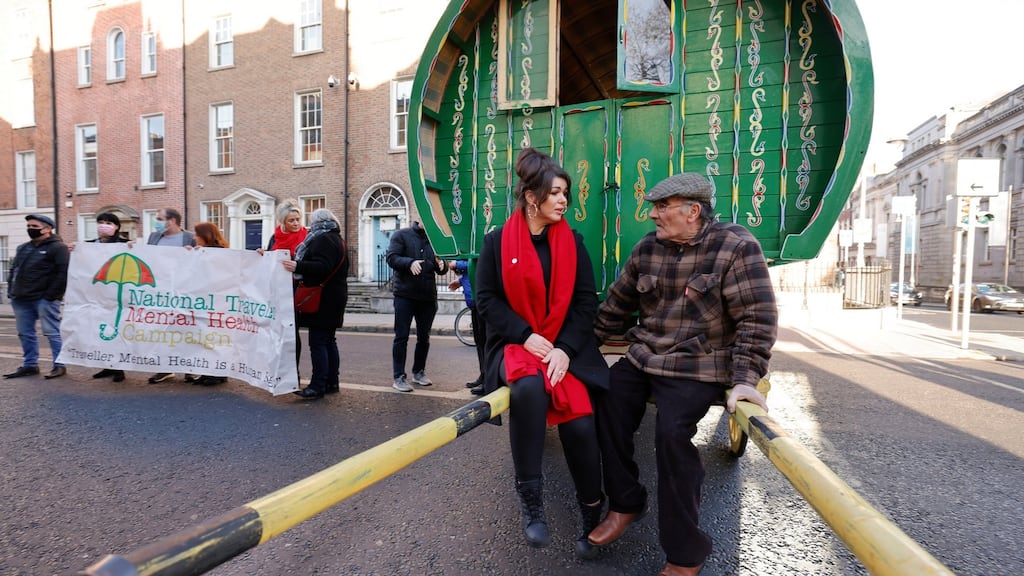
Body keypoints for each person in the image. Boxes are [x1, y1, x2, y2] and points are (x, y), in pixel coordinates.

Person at [589, 173, 778, 576]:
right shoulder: (647, 249)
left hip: (698, 362)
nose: (653, 214)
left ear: (693, 211)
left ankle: (685, 551)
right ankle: (626, 502)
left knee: (671, 435)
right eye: (655, 207)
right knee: (606, 402)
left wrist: (745, 378)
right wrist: (569, 351)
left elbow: (756, 319)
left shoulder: (736, 246)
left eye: (662, 207)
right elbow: (614, 309)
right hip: (645, 356)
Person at [475, 147, 608, 558]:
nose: (564, 200)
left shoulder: (575, 242)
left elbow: (586, 303)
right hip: (517, 344)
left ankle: (592, 512)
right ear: (532, 197)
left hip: (566, 348)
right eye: (555, 193)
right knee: (528, 390)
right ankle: (531, 503)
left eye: (565, 192)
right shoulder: (497, 242)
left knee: (581, 426)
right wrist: (525, 334)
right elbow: (487, 299)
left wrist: (565, 349)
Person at [282, 208, 348, 400]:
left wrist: (298, 266)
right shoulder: (337, 239)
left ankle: (318, 385)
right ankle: (332, 382)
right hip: (334, 296)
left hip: (323, 299)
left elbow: (322, 267)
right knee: (328, 341)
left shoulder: (323, 239)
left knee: (318, 342)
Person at [5, 215, 70, 380]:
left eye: (34, 226)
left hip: (43, 298)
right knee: (25, 333)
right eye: (28, 226)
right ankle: (30, 364)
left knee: (51, 332)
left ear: (48, 228)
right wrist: (11, 290)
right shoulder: (23, 248)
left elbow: (63, 273)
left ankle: (59, 364)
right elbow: (14, 269)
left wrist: (51, 296)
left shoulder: (58, 248)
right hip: (20, 298)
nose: (30, 229)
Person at [386, 221, 448, 393]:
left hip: (427, 296)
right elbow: (391, 257)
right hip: (405, 295)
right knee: (402, 336)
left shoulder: (435, 239)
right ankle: (399, 377)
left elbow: (440, 266)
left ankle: (418, 372)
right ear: (419, 218)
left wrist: (442, 266)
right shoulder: (401, 235)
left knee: (424, 337)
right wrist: (409, 262)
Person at [258, 199, 308, 379]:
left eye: (297, 219)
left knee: (292, 334)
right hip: (277, 291)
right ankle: (278, 370)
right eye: (291, 220)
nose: (296, 224)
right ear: (283, 222)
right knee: (277, 333)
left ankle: (293, 373)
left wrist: (297, 265)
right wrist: (263, 255)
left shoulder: (307, 237)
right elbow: (270, 260)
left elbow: (308, 263)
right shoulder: (275, 237)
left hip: (296, 291)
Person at [145, 207, 197, 384]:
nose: (156, 222)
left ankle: (189, 368)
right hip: (160, 291)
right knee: (161, 329)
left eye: (159, 218)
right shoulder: (154, 238)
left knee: (186, 329)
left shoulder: (190, 237)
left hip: (184, 290)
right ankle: (164, 368)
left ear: (172, 221)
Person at [84, 212, 128, 383]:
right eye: (101, 222)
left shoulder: (124, 244)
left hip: (117, 295)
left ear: (116, 226)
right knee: (99, 331)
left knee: (116, 332)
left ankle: (119, 369)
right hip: (97, 295)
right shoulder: (88, 245)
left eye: (109, 223)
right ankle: (107, 365)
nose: (104, 225)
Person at [185, 222, 230, 386]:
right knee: (205, 336)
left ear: (206, 236)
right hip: (204, 300)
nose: (194, 238)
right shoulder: (201, 252)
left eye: (197, 235)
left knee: (215, 337)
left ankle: (217, 373)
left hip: (216, 301)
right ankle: (208, 372)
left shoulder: (220, 253)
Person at [448, 259, 486, 395]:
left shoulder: (479, 243)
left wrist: (457, 265)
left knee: (485, 343)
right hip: (475, 304)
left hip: (483, 304)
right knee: (479, 343)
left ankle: (488, 381)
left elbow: (478, 259)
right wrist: (460, 281)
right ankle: (483, 376)